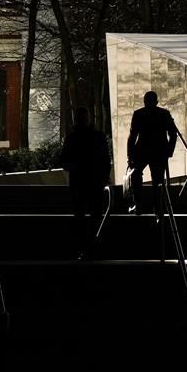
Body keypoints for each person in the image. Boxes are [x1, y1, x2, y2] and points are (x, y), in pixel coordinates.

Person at [60, 106, 112, 259]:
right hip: (94, 181)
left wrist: (75, 168)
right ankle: (93, 244)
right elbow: (105, 159)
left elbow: (64, 161)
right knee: (95, 215)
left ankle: (82, 246)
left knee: (80, 215)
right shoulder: (98, 136)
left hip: (79, 181)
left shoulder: (72, 137)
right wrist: (104, 177)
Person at [126, 90, 179, 215]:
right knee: (157, 181)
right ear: (156, 102)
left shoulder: (139, 114)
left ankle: (138, 204)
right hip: (159, 152)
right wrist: (169, 151)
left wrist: (130, 156)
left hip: (142, 151)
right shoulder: (164, 114)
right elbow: (173, 133)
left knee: (136, 176)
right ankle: (157, 208)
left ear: (144, 102)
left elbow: (132, 137)